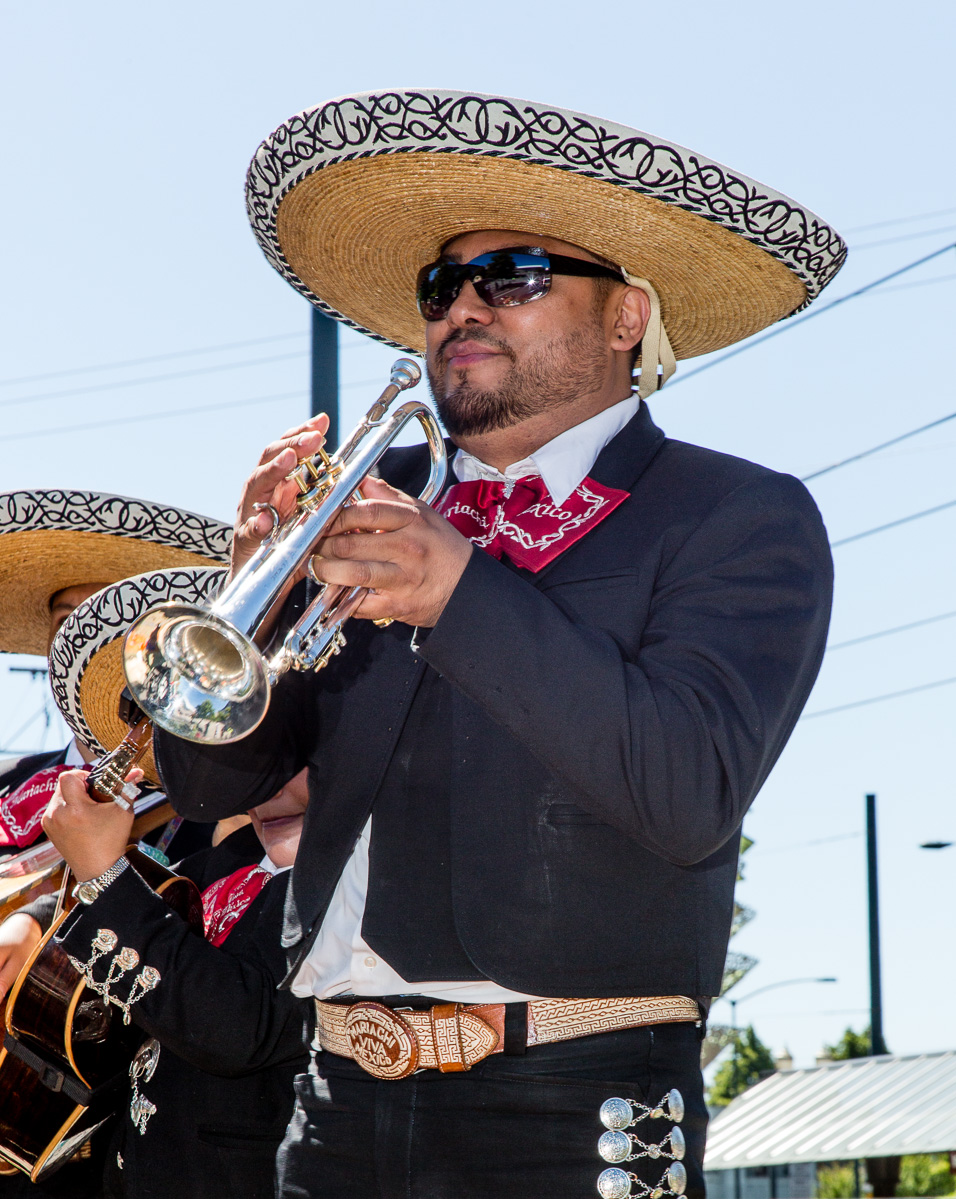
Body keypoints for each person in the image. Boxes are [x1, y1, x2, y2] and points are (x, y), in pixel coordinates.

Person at [151, 88, 842, 1198]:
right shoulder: (367, 506)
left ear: (625, 317)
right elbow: (201, 780)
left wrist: (457, 588)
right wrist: (254, 597)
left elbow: (687, 787)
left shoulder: (736, 517)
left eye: (512, 276)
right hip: (330, 1102)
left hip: (574, 1104)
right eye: (441, 286)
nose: (459, 308)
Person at [0, 489, 232, 863]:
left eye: (107, 622)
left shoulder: (219, 810)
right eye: (66, 621)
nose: (82, 639)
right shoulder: (6, 785)